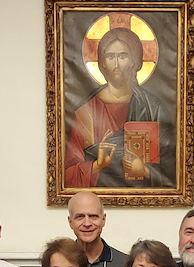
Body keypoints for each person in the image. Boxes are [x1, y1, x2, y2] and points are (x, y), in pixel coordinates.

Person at [64, 27, 172, 188]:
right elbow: (68, 174)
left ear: (134, 61)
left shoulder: (153, 108)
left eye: (122, 56)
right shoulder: (86, 111)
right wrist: (97, 165)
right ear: (102, 63)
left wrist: (145, 170)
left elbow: (172, 171)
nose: (116, 64)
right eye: (110, 56)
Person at [35, 191, 129, 267]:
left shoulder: (126, 264)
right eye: (80, 217)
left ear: (103, 220)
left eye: (93, 216)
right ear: (70, 222)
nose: (87, 223)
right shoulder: (55, 264)